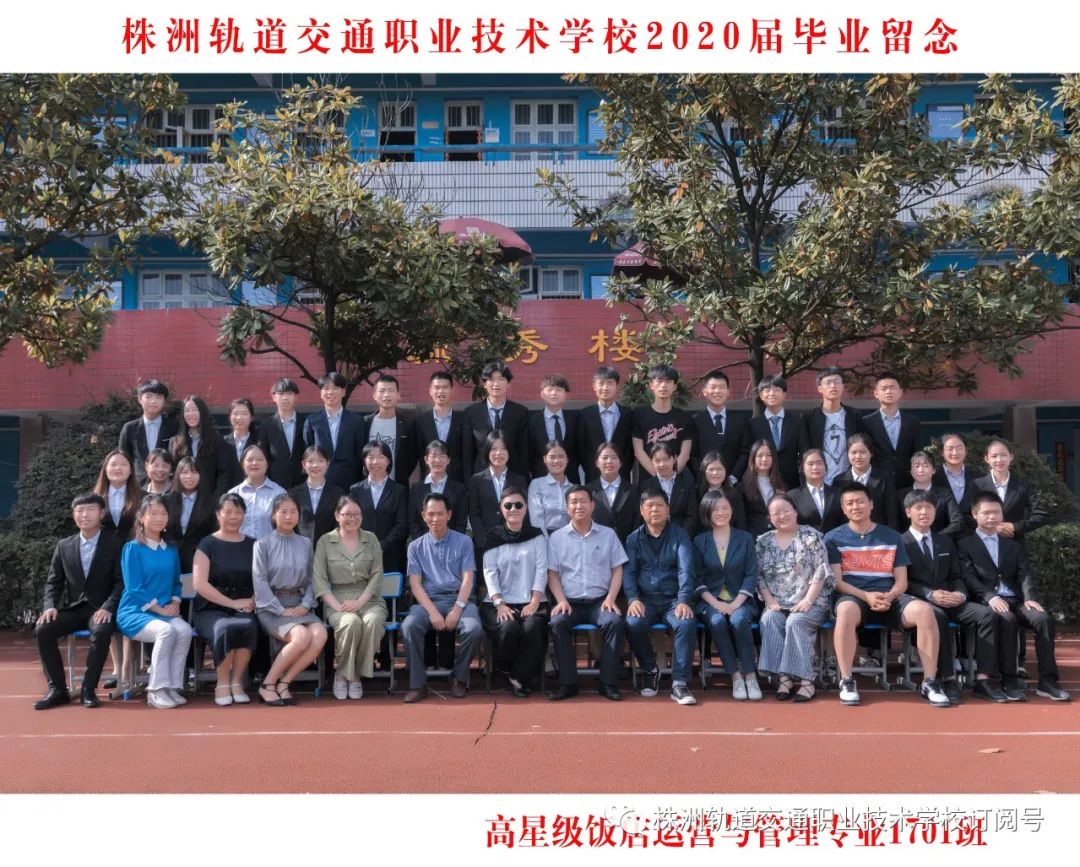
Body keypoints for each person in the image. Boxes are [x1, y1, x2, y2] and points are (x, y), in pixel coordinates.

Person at [824, 483, 950, 708]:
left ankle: (930, 682)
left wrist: (889, 597)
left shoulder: (892, 536)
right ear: (843, 509)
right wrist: (866, 596)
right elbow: (838, 582)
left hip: (890, 597)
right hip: (855, 596)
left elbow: (902, 581)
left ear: (871, 504)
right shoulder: (833, 538)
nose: (856, 507)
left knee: (924, 611)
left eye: (860, 501)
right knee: (845, 610)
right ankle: (847, 680)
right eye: (850, 503)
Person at [957, 492, 1070, 701]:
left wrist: (1029, 596)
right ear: (974, 514)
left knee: (1043, 619)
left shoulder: (1013, 545)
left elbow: (1024, 574)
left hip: (1015, 600)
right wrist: (990, 596)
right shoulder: (965, 544)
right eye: (986, 513)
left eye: (996, 512)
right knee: (1006, 618)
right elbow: (968, 577)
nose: (992, 517)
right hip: (987, 601)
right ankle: (1009, 680)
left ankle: (1048, 682)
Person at [902, 489, 997, 704]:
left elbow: (956, 575)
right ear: (908, 512)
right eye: (918, 508)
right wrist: (930, 594)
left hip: (952, 600)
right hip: (922, 603)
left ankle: (983, 679)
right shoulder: (901, 542)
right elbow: (903, 582)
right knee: (938, 617)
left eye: (929, 507)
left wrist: (960, 594)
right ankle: (948, 679)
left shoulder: (945, 541)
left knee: (987, 615)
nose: (924, 512)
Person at [33, 493, 123, 710]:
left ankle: (88, 690)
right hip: (75, 609)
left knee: (101, 631)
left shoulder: (116, 543)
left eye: (91, 509)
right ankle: (58, 690)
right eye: (80, 510)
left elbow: (122, 582)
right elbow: (53, 582)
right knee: (43, 629)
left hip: (101, 609)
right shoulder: (64, 545)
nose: (85, 515)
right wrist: (49, 606)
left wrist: (108, 606)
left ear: (101, 513)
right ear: (73, 515)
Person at [546, 486, 629, 702]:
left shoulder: (608, 534)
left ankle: (608, 683)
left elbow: (617, 569)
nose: (578, 506)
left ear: (592, 505)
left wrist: (611, 598)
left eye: (583, 501)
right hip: (569, 602)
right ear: (567, 508)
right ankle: (568, 683)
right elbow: (552, 573)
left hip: (599, 603)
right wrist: (561, 600)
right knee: (557, 623)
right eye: (573, 502)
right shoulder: (557, 538)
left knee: (614, 622)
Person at [400, 493, 483, 702]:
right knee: (409, 626)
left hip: (459, 599)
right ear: (423, 516)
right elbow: (416, 585)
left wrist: (457, 608)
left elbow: (468, 580)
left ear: (449, 515)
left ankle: (459, 677)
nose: (435, 518)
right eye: (430, 514)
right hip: (428, 601)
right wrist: (433, 612)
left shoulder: (464, 541)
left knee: (474, 629)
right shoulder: (415, 546)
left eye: (440, 513)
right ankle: (418, 684)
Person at [116, 495, 193, 709]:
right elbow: (134, 588)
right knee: (166, 631)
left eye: (163, 513)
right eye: (153, 513)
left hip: (164, 611)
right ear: (141, 518)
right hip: (135, 612)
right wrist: (159, 609)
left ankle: (172, 687)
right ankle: (156, 690)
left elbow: (177, 582)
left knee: (185, 631)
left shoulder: (171, 550)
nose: (159, 518)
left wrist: (175, 603)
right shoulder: (132, 548)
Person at [756, 494, 833, 702]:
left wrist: (808, 600)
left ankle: (807, 681)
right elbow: (758, 576)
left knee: (795, 622)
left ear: (795, 511)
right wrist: (769, 600)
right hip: (777, 602)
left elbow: (821, 571)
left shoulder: (811, 537)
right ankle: (784, 679)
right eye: (776, 513)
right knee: (770, 619)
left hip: (812, 601)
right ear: (770, 518)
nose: (782, 516)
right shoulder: (763, 542)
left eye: (786, 511)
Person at [624, 490, 698, 705]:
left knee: (685, 622)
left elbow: (686, 570)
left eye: (659, 505)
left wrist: (684, 599)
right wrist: (633, 598)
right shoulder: (633, 538)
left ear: (668, 509)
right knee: (633, 623)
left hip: (672, 599)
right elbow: (629, 572)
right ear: (641, 511)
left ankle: (680, 683)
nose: (654, 510)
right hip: (645, 599)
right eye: (649, 506)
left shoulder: (680, 535)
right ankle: (650, 670)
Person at [253, 493, 327, 706]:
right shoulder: (262, 544)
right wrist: (279, 609)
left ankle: (284, 683)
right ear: (273, 515)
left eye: (293, 512)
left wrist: (305, 604)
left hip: (300, 605)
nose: (288, 516)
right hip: (272, 607)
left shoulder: (305, 543)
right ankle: (268, 684)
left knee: (320, 634)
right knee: (301, 636)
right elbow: (259, 581)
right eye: (283, 512)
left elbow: (313, 578)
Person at [314, 495, 388, 701]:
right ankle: (342, 674)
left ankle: (353, 675)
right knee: (350, 622)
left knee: (372, 621)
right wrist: (337, 606)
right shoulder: (325, 541)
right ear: (337, 516)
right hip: (337, 600)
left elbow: (377, 575)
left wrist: (360, 602)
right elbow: (319, 580)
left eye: (357, 514)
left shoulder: (371, 539)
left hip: (369, 598)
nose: (352, 518)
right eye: (347, 514)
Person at [480, 487, 549, 697]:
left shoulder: (536, 536)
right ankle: (506, 669)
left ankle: (518, 676)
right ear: (501, 509)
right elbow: (489, 572)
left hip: (532, 600)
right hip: (499, 602)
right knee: (508, 628)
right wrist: (500, 603)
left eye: (518, 505)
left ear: (525, 508)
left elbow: (542, 569)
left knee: (533, 626)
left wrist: (534, 601)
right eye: (508, 505)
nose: (513, 509)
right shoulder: (493, 537)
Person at [191, 493, 258, 707]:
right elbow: (199, 584)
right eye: (228, 512)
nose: (233, 517)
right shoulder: (207, 544)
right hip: (210, 607)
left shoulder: (253, 544)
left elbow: (262, 578)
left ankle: (237, 681)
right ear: (218, 514)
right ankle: (222, 682)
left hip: (244, 605)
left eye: (238, 512)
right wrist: (231, 603)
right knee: (224, 627)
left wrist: (253, 600)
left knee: (248, 625)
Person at [693, 489, 761, 700]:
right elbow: (697, 579)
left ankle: (750, 675)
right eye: (715, 509)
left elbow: (751, 574)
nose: (721, 512)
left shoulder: (745, 538)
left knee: (739, 620)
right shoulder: (700, 541)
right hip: (711, 601)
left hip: (741, 600)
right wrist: (717, 604)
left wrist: (735, 603)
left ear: (732, 510)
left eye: (725, 508)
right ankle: (736, 677)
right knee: (717, 622)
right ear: (707, 512)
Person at [970, 438, 1051, 548]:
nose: (999, 460)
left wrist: (1015, 527)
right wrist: (993, 527)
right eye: (994, 456)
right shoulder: (976, 485)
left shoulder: (1023, 485)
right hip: (982, 545)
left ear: (1011, 457)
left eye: (1003, 455)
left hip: (1015, 545)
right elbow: (967, 515)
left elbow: (1041, 515)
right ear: (987, 459)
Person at [349, 441, 409, 576]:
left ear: (388, 461)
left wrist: (382, 547)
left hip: (391, 556)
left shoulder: (399, 491)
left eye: (381, 457)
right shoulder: (355, 490)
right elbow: (351, 520)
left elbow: (402, 525)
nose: (375, 461)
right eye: (371, 457)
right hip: (360, 555)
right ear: (364, 461)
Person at [462, 360, 530, 479]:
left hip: (512, 477)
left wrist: (523, 480)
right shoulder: (471, 413)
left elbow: (523, 451)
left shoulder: (520, 412)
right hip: (481, 478)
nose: (496, 384)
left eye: (501, 379)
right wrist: (469, 481)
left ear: (508, 384)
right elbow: (468, 452)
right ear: (484, 384)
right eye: (491, 379)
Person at [468, 431, 529, 560]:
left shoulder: (520, 480)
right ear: (487, 452)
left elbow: (524, 512)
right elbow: (474, 514)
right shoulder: (476, 480)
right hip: (485, 546)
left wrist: (517, 539)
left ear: (509, 452)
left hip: (515, 545)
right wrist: (483, 541)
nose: (498, 453)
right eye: (494, 449)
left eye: (503, 448)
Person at [302, 371, 367, 491]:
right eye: (326, 388)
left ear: (343, 392)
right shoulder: (312, 421)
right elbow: (307, 453)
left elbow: (361, 455)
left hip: (350, 484)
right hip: (320, 484)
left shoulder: (357, 421)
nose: (330, 392)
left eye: (335, 388)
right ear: (321, 393)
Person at [801, 367, 865, 484]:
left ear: (843, 386)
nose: (833, 386)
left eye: (837, 382)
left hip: (848, 481)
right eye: (828, 383)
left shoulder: (853, 415)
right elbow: (805, 451)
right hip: (819, 480)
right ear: (820, 388)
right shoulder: (809, 418)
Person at [744, 375, 807, 490]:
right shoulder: (753, 425)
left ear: (784, 394)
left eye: (776, 390)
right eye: (767, 390)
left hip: (792, 483)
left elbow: (805, 452)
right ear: (761, 396)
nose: (772, 394)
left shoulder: (797, 422)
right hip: (763, 483)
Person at [631, 364, 694, 477]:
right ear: (651, 385)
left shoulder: (685, 418)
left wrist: (671, 477)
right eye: (659, 381)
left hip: (676, 481)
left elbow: (685, 454)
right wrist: (658, 477)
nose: (663, 385)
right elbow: (639, 451)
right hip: (648, 480)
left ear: (675, 386)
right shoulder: (639, 415)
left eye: (668, 381)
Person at [862, 374, 922, 490]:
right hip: (876, 483)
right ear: (876, 393)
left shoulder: (912, 422)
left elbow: (917, 452)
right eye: (884, 388)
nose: (888, 391)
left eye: (893, 388)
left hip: (906, 482)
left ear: (900, 392)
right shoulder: (866, 423)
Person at [690, 369, 749, 483]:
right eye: (713, 387)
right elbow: (692, 455)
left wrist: (734, 477)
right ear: (705, 391)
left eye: (722, 387)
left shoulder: (740, 420)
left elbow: (745, 452)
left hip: (734, 484)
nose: (717, 391)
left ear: (728, 392)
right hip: (704, 484)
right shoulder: (695, 421)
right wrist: (704, 478)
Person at [577, 366, 633, 483]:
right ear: (594, 386)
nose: (605, 388)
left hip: (622, 477)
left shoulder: (628, 414)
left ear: (617, 387)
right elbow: (581, 448)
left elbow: (630, 448)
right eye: (601, 383)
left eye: (610, 383)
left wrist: (624, 468)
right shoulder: (584, 415)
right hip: (593, 478)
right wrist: (591, 468)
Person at [165, 456, 218, 576]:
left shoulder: (211, 503)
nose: (189, 476)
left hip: (198, 560)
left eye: (194, 472)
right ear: (178, 475)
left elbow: (214, 533)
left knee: (190, 588)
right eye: (184, 472)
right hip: (168, 557)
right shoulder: (166, 501)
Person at [118, 379, 178, 486]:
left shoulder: (174, 427)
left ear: (164, 401)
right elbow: (123, 459)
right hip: (138, 486)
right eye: (149, 396)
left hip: (168, 486)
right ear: (140, 399)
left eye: (158, 397)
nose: (153, 401)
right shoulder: (129, 428)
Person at [411, 371, 467, 484]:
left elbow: (466, 454)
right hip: (430, 482)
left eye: (445, 387)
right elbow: (420, 455)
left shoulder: (463, 420)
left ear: (451, 390)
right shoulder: (421, 422)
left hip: (457, 483)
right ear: (430, 391)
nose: (440, 391)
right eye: (437, 387)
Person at [168, 395, 229, 497]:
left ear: (202, 412)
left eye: (194, 410)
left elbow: (223, 473)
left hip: (209, 498)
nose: (191, 414)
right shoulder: (175, 442)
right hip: (183, 498)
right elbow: (172, 473)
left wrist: (216, 499)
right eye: (187, 411)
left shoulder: (216, 440)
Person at [834, 433, 898, 529]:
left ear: (871, 453)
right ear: (847, 454)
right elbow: (837, 514)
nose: (858, 456)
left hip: (879, 532)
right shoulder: (839, 481)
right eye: (853, 453)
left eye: (862, 452)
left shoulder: (884, 478)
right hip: (849, 533)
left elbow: (891, 511)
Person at [363, 373, 417, 486]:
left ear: (398, 395)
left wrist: (401, 475)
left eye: (391, 391)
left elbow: (412, 457)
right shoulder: (365, 423)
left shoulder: (407, 424)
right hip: (368, 486)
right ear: (375, 395)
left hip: (397, 486)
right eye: (382, 391)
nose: (386, 395)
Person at [408, 440, 468, 540]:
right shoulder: (416, 489)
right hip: (423, 544)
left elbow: (461, 523)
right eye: (434, 456)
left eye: (442, 456)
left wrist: (453, 543)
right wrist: (423, 544)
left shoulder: (459, 489)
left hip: (452, 544)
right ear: (426, 459)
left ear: (448, 460)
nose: (437, 460)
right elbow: (413, 522)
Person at [896, 451, 965, 536]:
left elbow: (958, 522)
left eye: (926, 466)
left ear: (934, 470)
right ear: (910, 470)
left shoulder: (945, 494)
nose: (921, 470)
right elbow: (894, 524)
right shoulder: (900, 495)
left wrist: (935, 538)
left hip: (940, 541)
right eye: (916, 466)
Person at [289, 445, 346, 548]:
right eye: (310, 461)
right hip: (299, 549)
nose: (315, 465)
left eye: (320, 461)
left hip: (330, 549)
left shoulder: (338, 493)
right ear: (303, 464)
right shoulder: (293, 494)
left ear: (327, 463)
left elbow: (340, 523)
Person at [228, 443, 286, 540]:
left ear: (267, 464)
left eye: (260, 459)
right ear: (242, 464)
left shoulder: (279, 494)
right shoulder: (233, 494)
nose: (254, 463)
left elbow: (285, 528)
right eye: (250, 460)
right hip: (239, 547)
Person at [528, 374, 580, 481]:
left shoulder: (575, 420)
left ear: (566, 394)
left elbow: (580, 450)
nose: (554, 393)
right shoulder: (532, 421)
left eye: (558, 390)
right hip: (541, 479)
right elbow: (529, 452)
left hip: (570, 480)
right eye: (550, 389)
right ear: (542, 394)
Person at [587, 442, 640, 543]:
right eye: (605, 457)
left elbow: (637, 521)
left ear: (621, 463)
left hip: (626, 545)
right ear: (597, 463)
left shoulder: (633, 490)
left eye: (614, 457)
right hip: (596, 545)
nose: (609, 461)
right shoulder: (588, 491)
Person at [259, 377, 306, 490]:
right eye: (281, 394)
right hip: (275, 483)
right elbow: (263, 455)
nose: (285, 398)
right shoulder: (267, 425)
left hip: (303, 482)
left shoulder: (306, 422)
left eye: (289, 393)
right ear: (274, 397)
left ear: (296, 396)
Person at [639, 441, 696, 533]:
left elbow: (692, 515)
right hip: (654, 535)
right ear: (652, 462)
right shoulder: (646, 485)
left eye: (666, 459)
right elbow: (642, 517)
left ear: (674, 459)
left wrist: (683, 536)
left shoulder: (686, 483)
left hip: (681, 534)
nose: (662, 464)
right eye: (657, 461)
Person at [787, 449, 844, 533]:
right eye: (810, 464)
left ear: (825, 467)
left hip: (835, 539)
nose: (815, 467)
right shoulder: (792, 496)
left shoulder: (838, 493)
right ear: (802, 468)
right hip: (804, 540)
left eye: (819, 463)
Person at [932, 432, 977, 536]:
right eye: (950, 448)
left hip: (972, 536)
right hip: (941, 535)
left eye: (959, 448)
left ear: (966, 450)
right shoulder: (933, 479)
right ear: (942, 452)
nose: (955, 452)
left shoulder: (979, 478)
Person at [692, 451, 747, 534]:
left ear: (725, 471)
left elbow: (740, 522)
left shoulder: (734, 494)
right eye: (711, 469)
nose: (715, 473)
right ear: (704, 471)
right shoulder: (696, 493)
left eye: (719, 469)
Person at [740, 439, 786, 537]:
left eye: (769, 455)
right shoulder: (742, 487)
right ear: (753, 458)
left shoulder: (782, 485)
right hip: (754, 538)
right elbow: (741, 520)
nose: (764, 459)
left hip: (780, 537)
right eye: (760, 455)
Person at [94, 449, 142, 541]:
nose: (118, 468)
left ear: (131, 470)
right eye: (113, 464)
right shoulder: (95, 498)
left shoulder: (143, 497)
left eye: (123, 464)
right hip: (103, 547)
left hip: (134, 546)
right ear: (105, 469)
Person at [528, 441, 573, 537]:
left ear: (567, 459)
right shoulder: (537, 485)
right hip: (545, 537)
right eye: (552, 457)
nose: (556, 461)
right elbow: (536, 520)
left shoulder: (573, 489)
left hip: (570, 538)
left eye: (561, 456)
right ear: (545, 459)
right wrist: (547, 541)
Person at [222, 397, 258, 489]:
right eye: (235, 413)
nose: (239, 417)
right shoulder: (222, 443)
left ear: (252, 417)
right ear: (230, 417)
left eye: (244, 414)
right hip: (228, 493)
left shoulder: (259, 442)